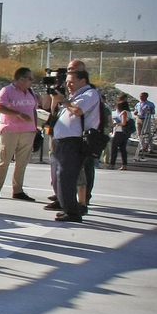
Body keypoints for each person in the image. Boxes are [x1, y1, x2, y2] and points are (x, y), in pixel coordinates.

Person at [44, 66, 100, 222]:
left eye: (71, 81)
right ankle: (67, 208)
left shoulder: (90, 94)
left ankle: (73, 212)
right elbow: (53, 110)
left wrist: (64, 100)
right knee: (60, 177)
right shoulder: (73, 96)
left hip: (74, 142)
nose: (68, 85)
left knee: (67, 177)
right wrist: (58, 98)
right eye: (67, 82)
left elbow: (78, 111)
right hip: (62, 141)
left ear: (83, 80)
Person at [0, 67, 39, 200]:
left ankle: (18, 190)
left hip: (28, 132)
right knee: (4, 160)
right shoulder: (7, 91)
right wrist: (18, 114)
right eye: (30, 79)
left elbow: (34, 109)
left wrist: (35, 127)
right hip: (10, 131)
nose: (31, 82)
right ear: (21, 79)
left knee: (21, 163)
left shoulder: (31, 93)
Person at [108, 97, 134, 170]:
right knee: (123, 148)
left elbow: (123, 122)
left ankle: (112, 164)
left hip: (120, 132)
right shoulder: (129, 113)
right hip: (124, 133)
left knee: (114, 147)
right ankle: (124, 164)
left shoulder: (124, 112)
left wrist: (116, 123)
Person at [134, 92, 157, 160]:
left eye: (142, 96)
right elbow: (136, 110)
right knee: (139, 133)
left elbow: (153, 112)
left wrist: (150, 110)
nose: (140, 97)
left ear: (145, 97)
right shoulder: (138, 104)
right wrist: (135, 112)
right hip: (139, 118)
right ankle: (143, 147)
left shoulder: (150, 104)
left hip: (146, 119)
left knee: (147, 133)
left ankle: (150, 148)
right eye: (140, 96)